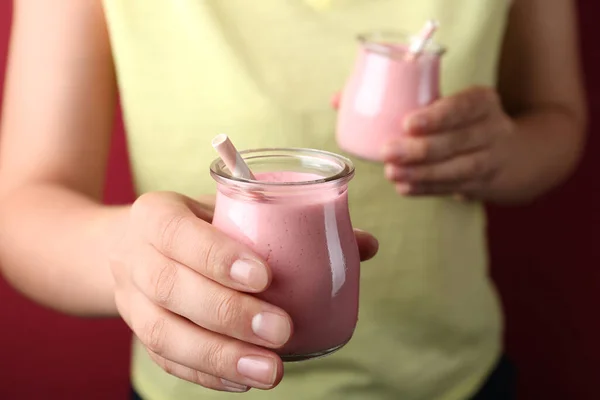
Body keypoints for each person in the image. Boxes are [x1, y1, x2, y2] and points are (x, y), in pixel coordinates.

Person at [0, 0, 586, 399]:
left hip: (451, 379)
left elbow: (559, 117)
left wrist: (502, 155)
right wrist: (128, 256)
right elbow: (20, 205)